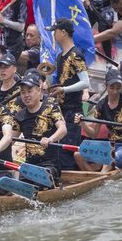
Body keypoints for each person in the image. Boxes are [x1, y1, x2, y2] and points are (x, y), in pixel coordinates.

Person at [75, 68, 122, 172]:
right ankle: (96, 176)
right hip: (111, 146)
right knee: (78, 155)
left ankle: (101, 176)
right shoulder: (101, 105)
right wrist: (83, 123)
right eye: (112, 87)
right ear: (106, 86)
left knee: (111, 157)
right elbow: (93, 134)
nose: (115, 91)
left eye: (118, 88)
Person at [47, 18, 90, 170]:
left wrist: (63, 90)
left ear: (63, 33)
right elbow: (61, 82)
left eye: (55, 31)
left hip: (73, 111)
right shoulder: (60, 56)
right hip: (60, 110)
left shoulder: (76, 55)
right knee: (58, 149)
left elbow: (85, 83)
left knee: (68, 149)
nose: (53, 35)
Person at [14, 73, 67, 186]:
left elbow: (63, 129)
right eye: (23, 92)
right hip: (29, 166)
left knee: (41, 180)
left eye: (29, 91)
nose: (26, 95)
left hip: (50, 166)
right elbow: (10, 139)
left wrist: (50, 139)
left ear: (39, 91)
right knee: (20, 187)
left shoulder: (51, 106)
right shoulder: (20, 116)